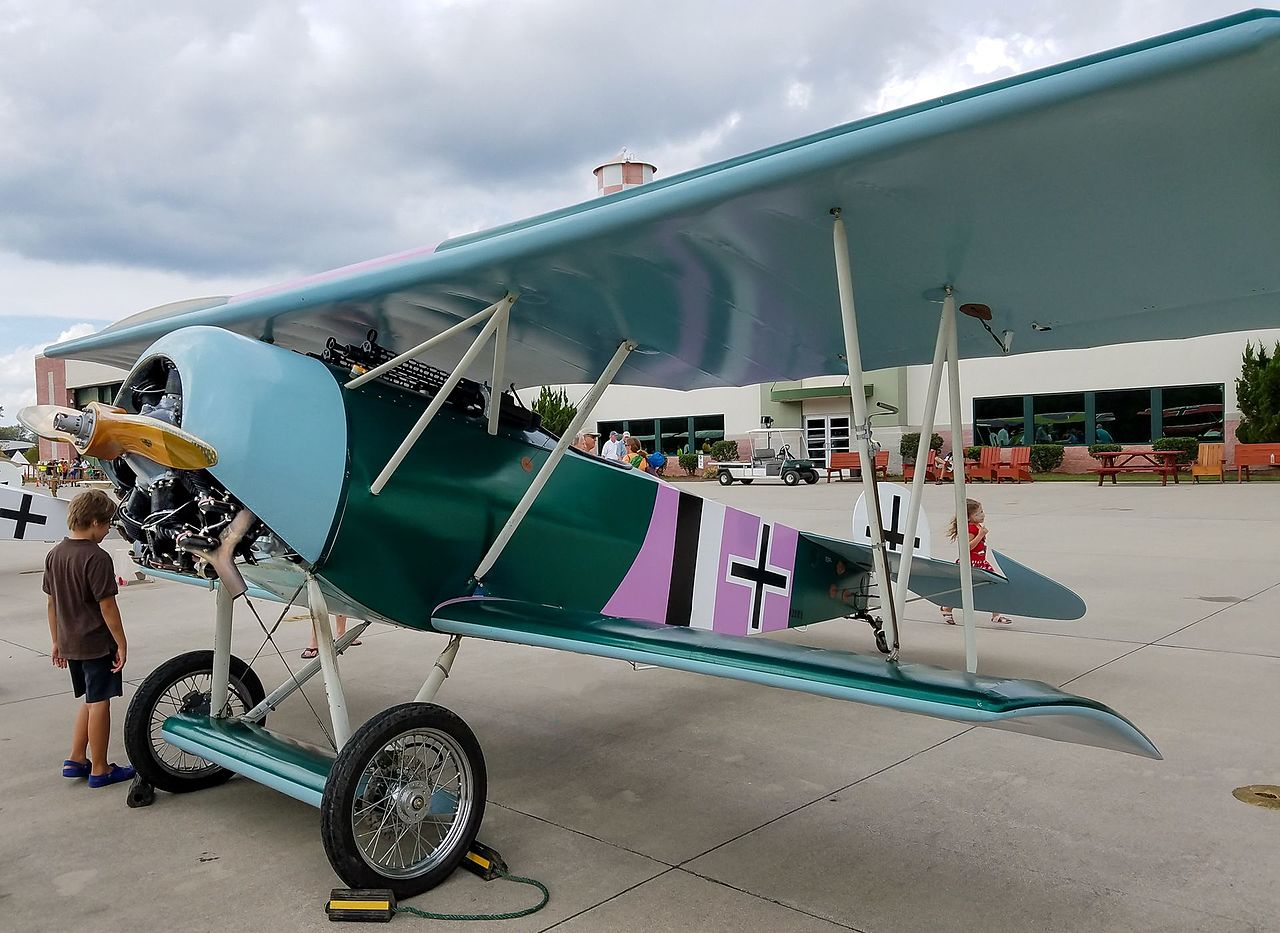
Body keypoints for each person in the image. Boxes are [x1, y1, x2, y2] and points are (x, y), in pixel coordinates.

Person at [44, 489, 136, 787]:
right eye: (107, 523)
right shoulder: (97, 557)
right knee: (100, 703)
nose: (108, 530)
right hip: (96, 643)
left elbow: (51, 602)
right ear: (95, 521)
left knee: (89, 698)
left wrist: (56, 640)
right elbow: (107, 605)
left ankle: (76, 758)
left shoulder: (55, 554)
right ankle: (100, 768)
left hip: (70, 642)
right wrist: (121, 642)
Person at [940, 498, 1012, 626]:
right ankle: (947, 608)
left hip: (981, 563)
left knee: (993, 584)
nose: (982, 515)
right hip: (970, 564)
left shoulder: (978, 526)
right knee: (964, 589)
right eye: (978, 513)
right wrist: (980, 535)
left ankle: (996, 614)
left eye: (982, 511)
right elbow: (966, 547)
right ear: (968, 517)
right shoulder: (970, 529)